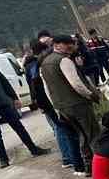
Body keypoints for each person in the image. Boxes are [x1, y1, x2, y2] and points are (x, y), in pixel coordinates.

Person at [40, 34, 102, 175]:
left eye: (72, 44)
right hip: (78, 104)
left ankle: (89, 167)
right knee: (93, 135)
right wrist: (91, 95)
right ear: (58, 45)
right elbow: (76, 84)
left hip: (63, 108)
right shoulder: (64, 61)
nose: (72, 46)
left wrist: (56, 106)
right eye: (68, 44)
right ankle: (100, 166)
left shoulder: (44, 63)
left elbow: (47, 89)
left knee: (82, 136)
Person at [25, 36, 80, 170]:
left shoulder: (32, 65)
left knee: (60, 129)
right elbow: (43, 87)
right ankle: (70, 159)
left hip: (46, 103)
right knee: (63, 130)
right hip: (52, 103)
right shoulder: (40, 64)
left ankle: (69, 158)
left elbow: (32, 86)